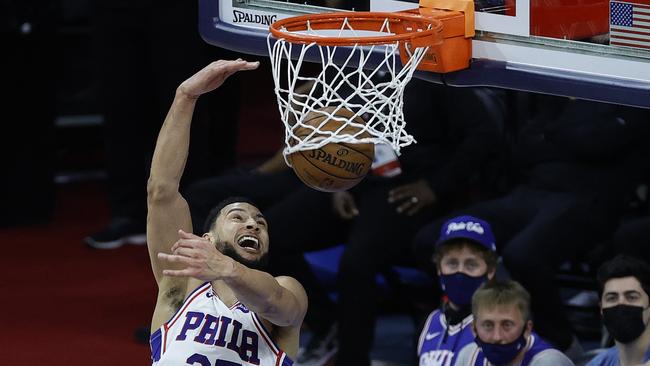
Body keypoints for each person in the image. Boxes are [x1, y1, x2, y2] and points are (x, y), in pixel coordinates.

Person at [264, 80, 506, 366]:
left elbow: (484, 134)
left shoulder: (432, 71)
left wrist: (435, 187)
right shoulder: (355, 66)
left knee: (356, 263)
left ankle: (352, 359)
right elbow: (337, 136)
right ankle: (327, 323)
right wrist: (338, 184)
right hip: (357, 181)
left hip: (408, 190)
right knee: (272, 233)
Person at [414, 94, 650, 353]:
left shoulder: (628, 93)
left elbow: (603, 142)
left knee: (524, 255)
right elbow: (523, 147)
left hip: (589, 198)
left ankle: (563, 345)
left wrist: (553, 136)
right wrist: (571, 138)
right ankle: (471, 329)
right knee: (432, 239)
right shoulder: (555, 95)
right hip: (528, 193)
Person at [146, 60, 308, 365]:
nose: (252, 224)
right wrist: (185, 97)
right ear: (206, 239)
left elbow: (276, 303)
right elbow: (161, 190)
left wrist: (228, 269)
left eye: (261, 223)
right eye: (237, 217)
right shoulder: (181, 285)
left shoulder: (286, 288)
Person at [84, 0, 241, 249]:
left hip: (179, 9)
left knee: (185, 100)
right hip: (114, 10)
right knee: (119, 104)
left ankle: (193, 214)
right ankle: (127, 213)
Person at [418, 215, 499, 366]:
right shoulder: (429, 322)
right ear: (438, 268)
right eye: (452, 263)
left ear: (490, 271)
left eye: (471, 265)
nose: (460, 272)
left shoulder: (504, 328)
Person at [455, 280, 574, 366]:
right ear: (474, 329)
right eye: (488, 325)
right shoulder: (468, 356)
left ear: (527, 329)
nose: (497, 337)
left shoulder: (548, 363)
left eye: (507, 325)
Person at [586, 255, 650, 366]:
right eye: (612, 298)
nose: (621, 304)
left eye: (632, 297)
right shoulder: (598, 363)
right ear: (601, 308)